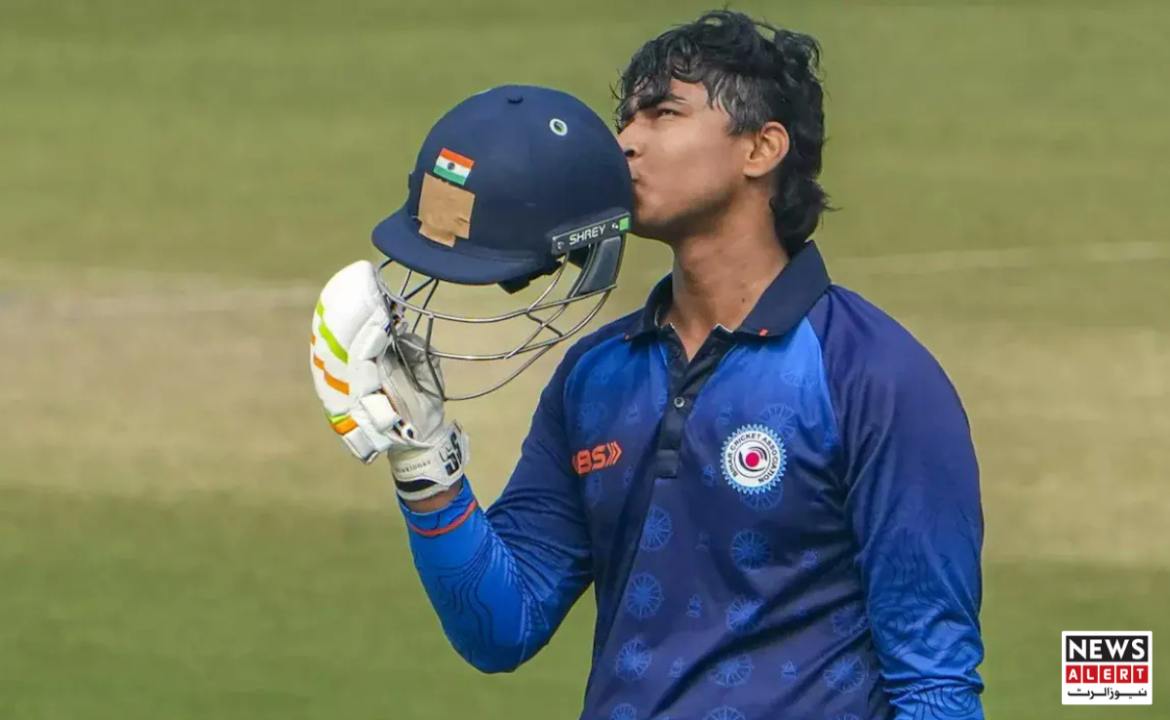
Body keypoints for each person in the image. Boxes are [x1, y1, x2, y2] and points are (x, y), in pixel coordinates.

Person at [310, 10, 985, 720]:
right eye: (625, 117)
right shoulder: (595, 379)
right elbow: (499, 628)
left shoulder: (873, 376)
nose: (625, 142)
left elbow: (934, 682)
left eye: (665, 113)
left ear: (762, 148)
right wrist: (424, 469)